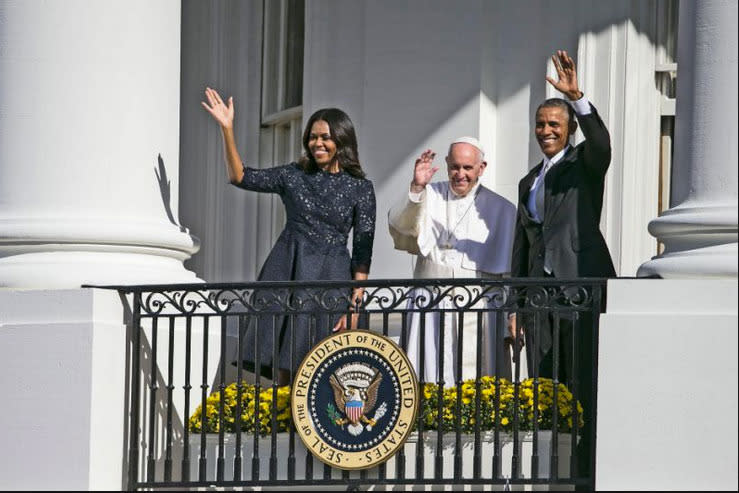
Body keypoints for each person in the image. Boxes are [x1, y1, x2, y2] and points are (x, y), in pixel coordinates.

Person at [201, 88, 376, 383]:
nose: (317, 143)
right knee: (286, 360)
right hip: (288, 267)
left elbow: (362, 253)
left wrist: (354, 306)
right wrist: (227, 129)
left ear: (341, 141)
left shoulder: (360, 188)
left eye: (325, 137)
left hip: (332, 276)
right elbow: (241, 176)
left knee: (327, 366)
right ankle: (283, 423)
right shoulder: (294, 175)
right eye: (313, 137)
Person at [509, 50, 616, 476]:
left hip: (578, 287)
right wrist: (516, 305)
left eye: (555, 124)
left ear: (569, 129)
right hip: (538, 296)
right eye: (541, 124)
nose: (546, 131)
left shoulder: (584, 166)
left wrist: (578, 100)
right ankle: (554, 468)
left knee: (581, 378)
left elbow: (602, 145)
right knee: (545, 382)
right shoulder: (527, 181)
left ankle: (588, 467)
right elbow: (522, 246)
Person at [388, 137, 516, 385]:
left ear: (482, 167)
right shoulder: (429, 194)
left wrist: (511, 314)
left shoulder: (503, 209)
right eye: (454, 167)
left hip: (480, 305)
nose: (460, 174)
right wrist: (416, 187)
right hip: (430, 302)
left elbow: (509, 271)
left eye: (467, 168)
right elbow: (399, 226)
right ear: (446, 164)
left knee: (478, 379)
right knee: (429, 374)